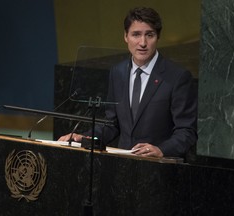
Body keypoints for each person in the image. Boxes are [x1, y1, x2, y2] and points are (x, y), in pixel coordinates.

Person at [59, 7, 197, 158]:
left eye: (149, 35)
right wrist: (85, 138)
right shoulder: (118, 72)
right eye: (136, 34)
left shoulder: (177, 77)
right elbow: (112, 124)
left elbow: (187, 131)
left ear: (158, 37)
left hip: (159, 169)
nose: (142, 43)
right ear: (126, 36)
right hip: (123, 167)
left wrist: (162, 150)